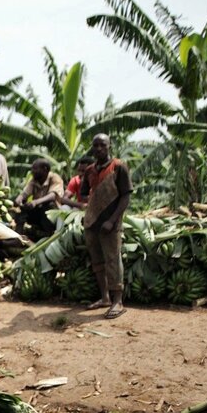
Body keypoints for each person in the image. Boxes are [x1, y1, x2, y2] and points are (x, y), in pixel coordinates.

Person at [83, 134, 131, 319]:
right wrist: (89, 214)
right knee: (97, 261)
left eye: (102, 145)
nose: (98, 149)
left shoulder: (118, 167)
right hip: (92, 222)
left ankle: (118, 300)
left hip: (111, 222)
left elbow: (125, 196)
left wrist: (112, 220)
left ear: (109, 146)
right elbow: (86, 194)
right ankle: (104, 297)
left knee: (113, 260)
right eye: (95, 146)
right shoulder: (89, 170)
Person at [13, 159, 63, 237]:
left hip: (52, 214)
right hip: (38, 212)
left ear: (45, 169)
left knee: (49, 205)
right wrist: (19, 198)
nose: (32, 171)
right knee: (22, 210)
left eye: (35, 168)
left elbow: (52, 196)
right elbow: (25, 193)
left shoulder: (54, 178)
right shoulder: (34, 180)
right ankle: (17, 237)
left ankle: (48, 235)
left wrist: (36, 202)